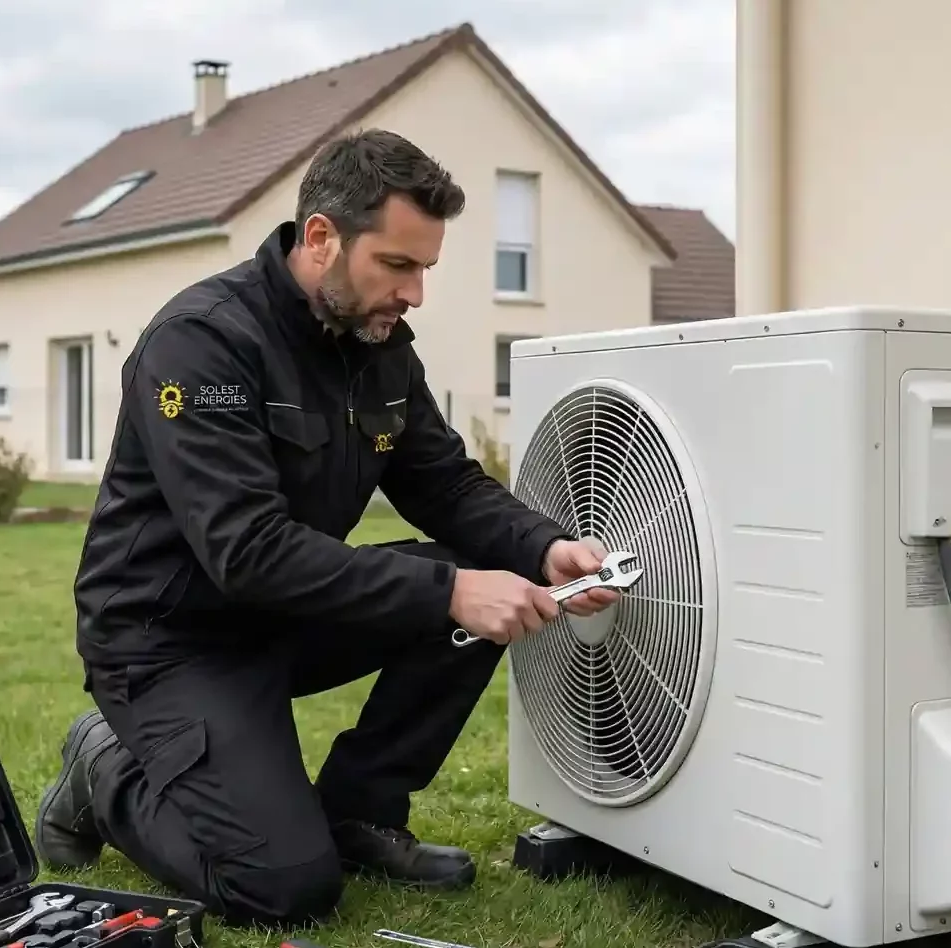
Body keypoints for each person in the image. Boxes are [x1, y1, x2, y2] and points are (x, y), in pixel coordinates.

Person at [33, 128, 618, 929]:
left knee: (485, 570)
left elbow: (445, 483)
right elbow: (247, 549)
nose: (415, 294)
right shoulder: (202, 344)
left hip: (286, 614)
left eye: (425, 269)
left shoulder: (379, 346)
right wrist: (450, 591)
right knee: (282, 888)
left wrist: (544, 547)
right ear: (321, 237)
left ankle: (359, 814)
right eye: (398, 265)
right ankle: (103, 770)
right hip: (169, 642)